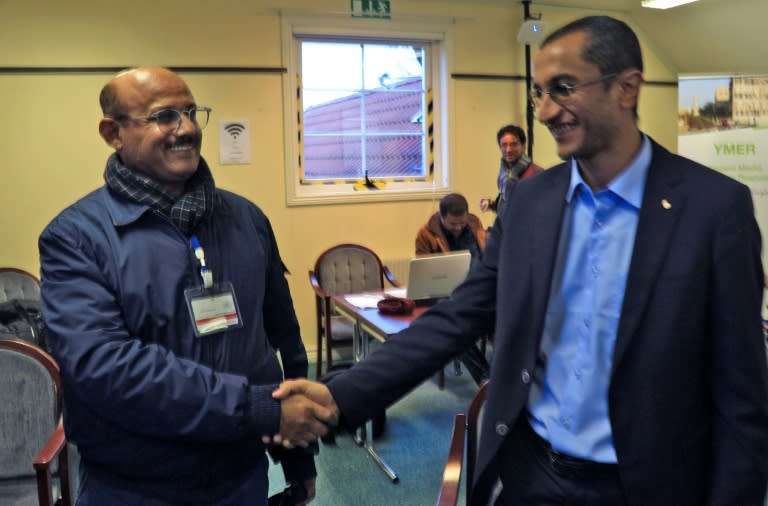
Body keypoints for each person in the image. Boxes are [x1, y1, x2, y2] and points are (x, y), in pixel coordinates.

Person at [273, 16, 768, 505]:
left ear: (627, 89)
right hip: (532, 476)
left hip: (649, 485)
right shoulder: (531, 203)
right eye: (539, 94)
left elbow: (742, 397)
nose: (546, 111)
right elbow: (459, 316)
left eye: (564, 88)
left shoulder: (714, 210)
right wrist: (344, 395)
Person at [38, 67, 332, 505]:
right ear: (113, 132)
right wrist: (258, 410)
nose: (188, 128)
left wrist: (297, 456)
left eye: (192, 112)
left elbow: (279, 339)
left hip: (241, 480)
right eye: (165, 116)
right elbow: (107, 369)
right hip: (133, 488)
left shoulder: (247, 219)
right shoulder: (76, 237)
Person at [415, 192, 489, 385]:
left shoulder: (475, 226)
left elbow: (487, 258)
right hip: (448, 297)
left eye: (461, 223)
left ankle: (512, 380)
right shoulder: (426, 235)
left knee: (511, 321)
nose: (457, 228)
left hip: (480, 290)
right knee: (459, 329)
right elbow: (424, 274)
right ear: (441, 217)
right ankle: (486, 382)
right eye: (452, 224)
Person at [478, 124, 542, 215]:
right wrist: (491, 204)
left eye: (514, 144)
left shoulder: (536, 174)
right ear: (500, 147)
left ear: (523, 146)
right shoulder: (503, 174)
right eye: (504, 145)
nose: (508, 150)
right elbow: (507, 206)